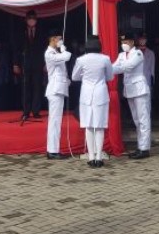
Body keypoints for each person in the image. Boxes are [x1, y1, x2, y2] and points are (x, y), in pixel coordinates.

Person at [71, 37, 114, 168]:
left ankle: (91, 157)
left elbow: (74, 77)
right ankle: (99, 157)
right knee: (99, 126)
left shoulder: (81, 59)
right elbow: (110, 76)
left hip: (86, 94)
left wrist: (85, 76)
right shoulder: (105, 59)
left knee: (88, 126)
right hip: (101, 94)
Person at [113, 34, 152, 159]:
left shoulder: (138, 53)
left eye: (126, 41)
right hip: (129, 90)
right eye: (122, 42)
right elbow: (114, 67)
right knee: (136, 120)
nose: (123, 44)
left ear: (132, 42)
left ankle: (144, 149)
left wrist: (111, 68)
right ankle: (140, 147)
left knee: (143, 119)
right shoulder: (121, 55)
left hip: (140, 90)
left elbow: (128, 66)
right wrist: (107, 69)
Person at [13, 9, 47, 121]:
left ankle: (36, 111)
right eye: (29, 19)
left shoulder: (41, 31)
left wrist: (46, 63)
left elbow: (45, 49)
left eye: (33, 19)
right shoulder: (20, 32)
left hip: (38, 63)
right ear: (26, 20)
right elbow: (16, 49)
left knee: (37, 87)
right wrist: (16, 64)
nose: (31, 21)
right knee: (25, 88)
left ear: (36, 20)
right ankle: (26, 111)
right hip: (25, 63)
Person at [44, 31, 72, 159]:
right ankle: (52, 151)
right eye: (59, 39)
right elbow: (67, 56)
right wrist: (63, 49)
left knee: (56, 121)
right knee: (54, 121)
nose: (61, 41)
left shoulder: (55, 52)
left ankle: (54, 149)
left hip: (59, 89)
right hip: (55, 90)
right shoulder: (49, 53)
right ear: (53, 39)